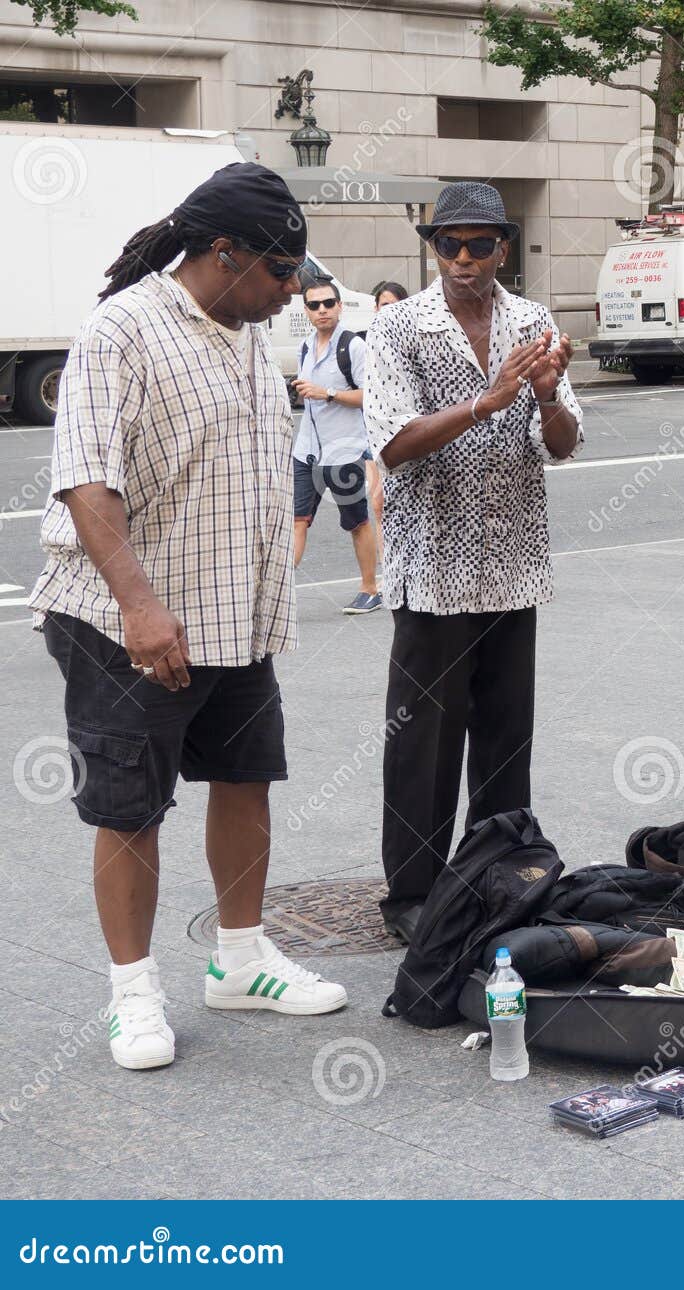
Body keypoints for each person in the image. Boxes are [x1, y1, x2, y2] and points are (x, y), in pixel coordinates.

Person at [28, 163, 348, 1071]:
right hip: (127, 618)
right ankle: (133, 995)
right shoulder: (120, 331)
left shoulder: (245, 332)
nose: (294, 292)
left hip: (231, 616)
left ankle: (240, 960)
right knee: (130, 808)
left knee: (245, 780)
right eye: (282, 272)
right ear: (223, 253)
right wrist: (138, 603)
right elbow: (87, 479)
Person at [364, 182, 583, 942]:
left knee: (504, 737)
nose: (462, 258)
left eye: (478, 244)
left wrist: (548, 397)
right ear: (432, 249)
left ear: (504, 247)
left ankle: (498, 878)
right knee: (424, 741)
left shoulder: (533, 321)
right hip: (433, 568)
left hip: (513, 564)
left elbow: (562, 442)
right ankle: (413, 896)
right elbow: (392, 445)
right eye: (447, 244)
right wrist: (486, 403)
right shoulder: (396, 329)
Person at [290, 279, 381, 614]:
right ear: (306, 311)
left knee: (357, 522)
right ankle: (281, 594)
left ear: (340, 306)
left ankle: (370, 589)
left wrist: (327, 393)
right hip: (307, 451)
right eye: (314, 305)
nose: (322, 310)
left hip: (344, 451)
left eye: (328, 303)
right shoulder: (304, 347)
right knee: (298, 521)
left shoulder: (353, 347)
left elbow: (370, 397)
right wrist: (304, 389)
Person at [365, 281, 409, 530]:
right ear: (375, 308)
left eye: (394, 305)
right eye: (383, 305)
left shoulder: (413, 342)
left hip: (404, 435)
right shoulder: (369, 340)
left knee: (396, 505)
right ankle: (386, 563)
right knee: (378, 503)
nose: (388, 311)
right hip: (373, 435)